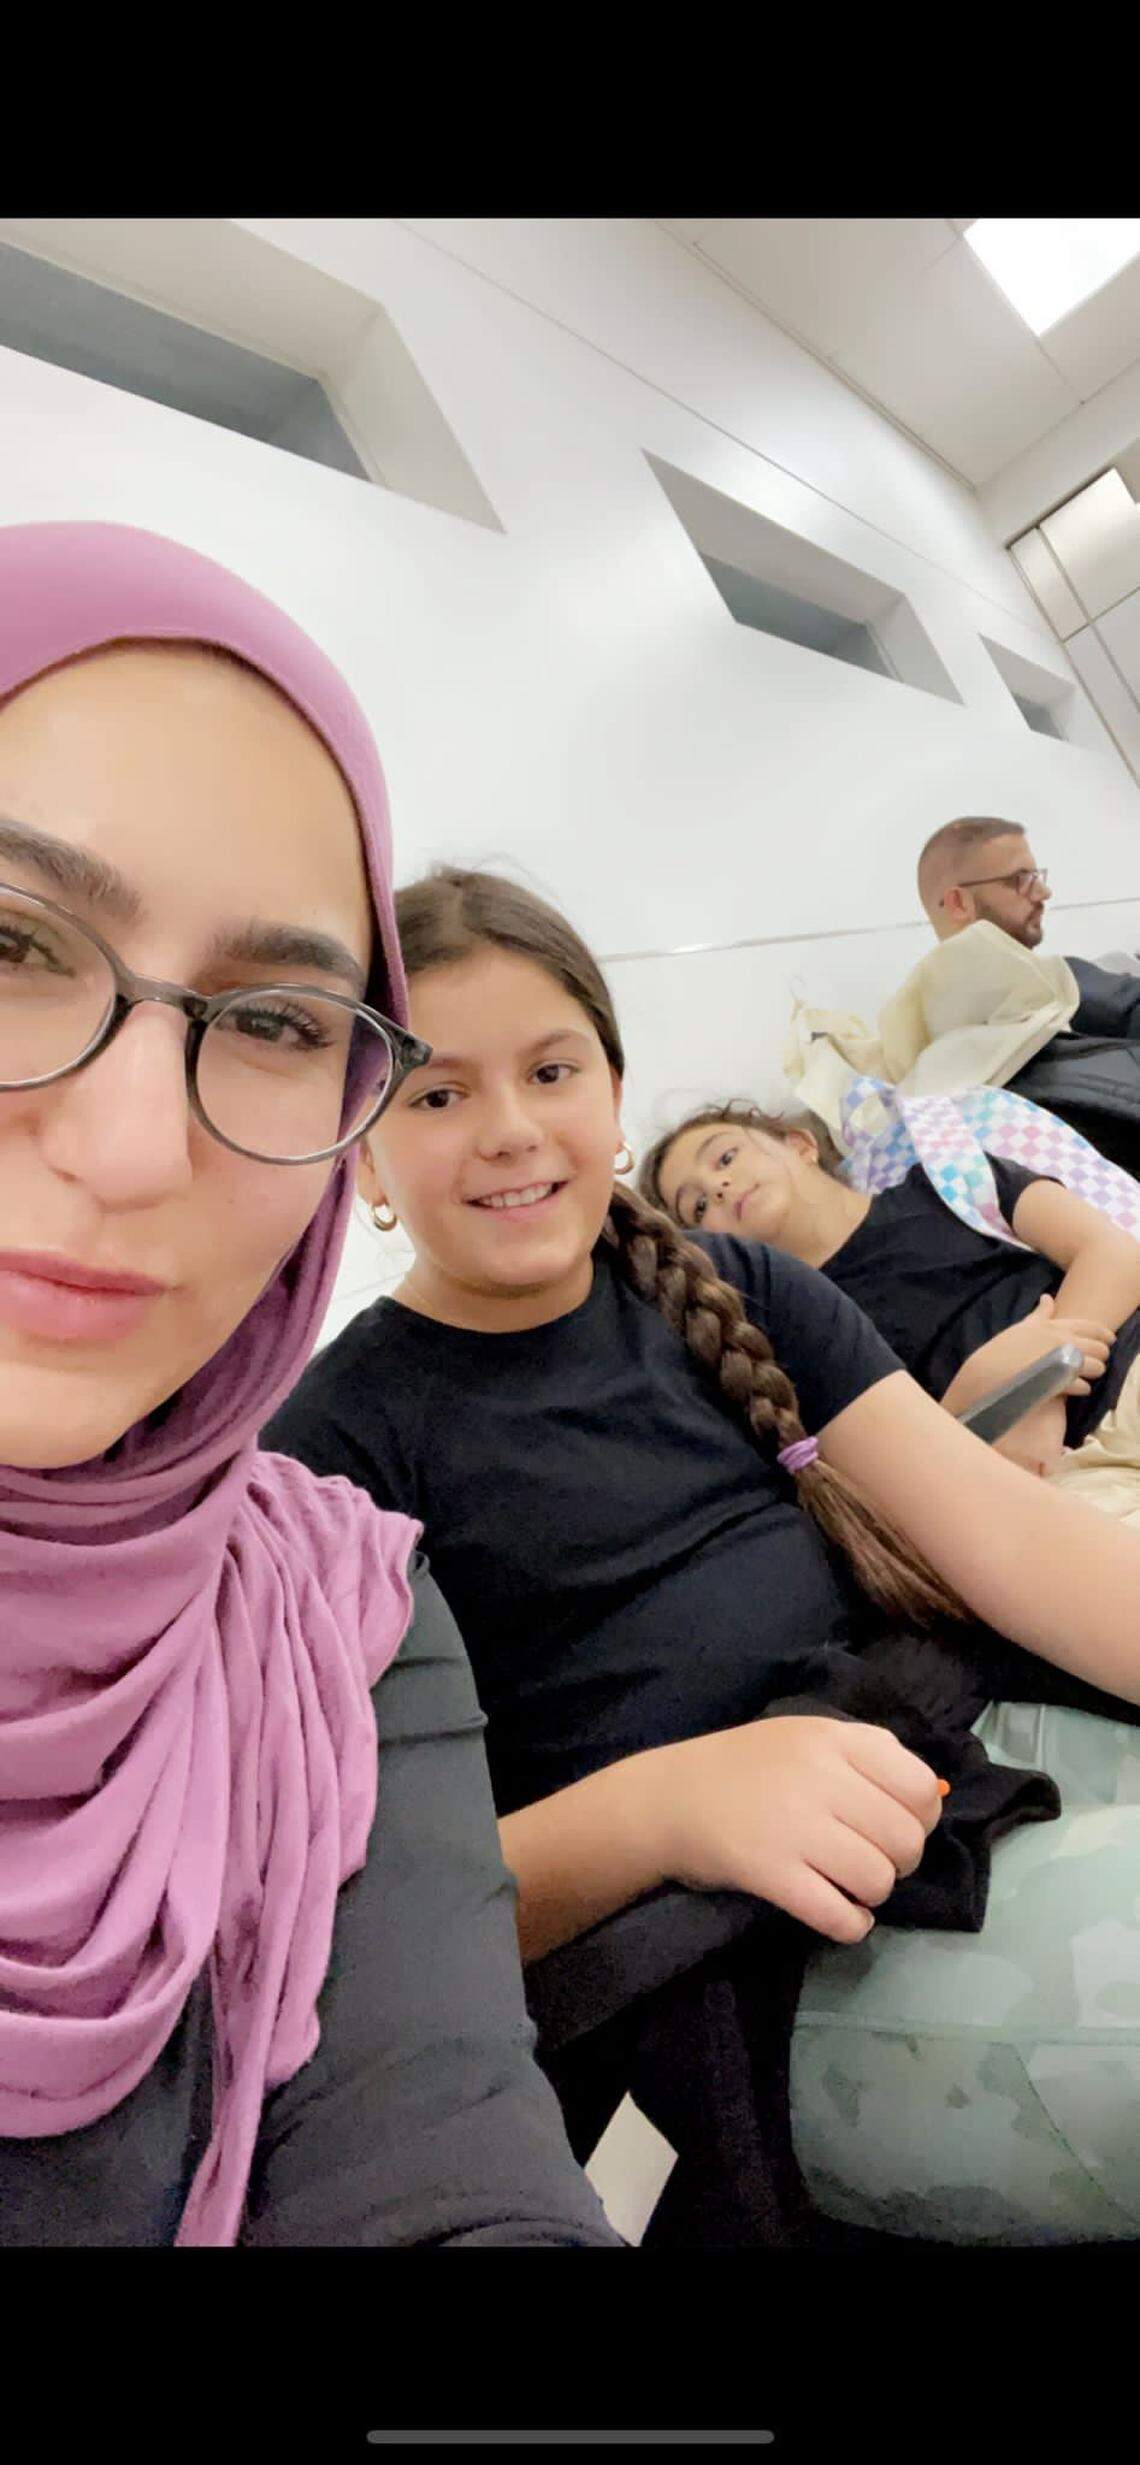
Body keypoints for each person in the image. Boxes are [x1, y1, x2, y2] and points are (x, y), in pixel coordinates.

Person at [264, 866, 1140, 2242]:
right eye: (436, 1096)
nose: (507, 1130)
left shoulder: (746, 1292)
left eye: (551, 1069)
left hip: (958, 1751)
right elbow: (354, 1934)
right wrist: (665, 1807)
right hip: (750, 1952)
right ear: (363, 1153)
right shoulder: (329, 1460)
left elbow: (1019, 1546)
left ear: (612, 1096)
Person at [0, 528, 620, 2251]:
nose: (132, 1149)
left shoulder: (319, 1600)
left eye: (272, 1021)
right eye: (6, 936)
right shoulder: (371, 1414)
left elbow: (446, 2170)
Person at [642, 1098, 1140, 1510]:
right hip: (1052, 1481)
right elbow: (887, 1483)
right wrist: (975, 1399)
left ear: (798, 1144)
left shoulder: (950, 1181)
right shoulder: (785, 1335)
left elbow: (1114, 1254)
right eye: (698, 1207)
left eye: (724, 1158)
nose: (719, 1187)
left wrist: (1038, 1387)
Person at [917, 815, 1140, 1038]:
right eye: (1019, 879)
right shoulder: (1065, 986)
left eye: (1036, 876)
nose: (1044, 893)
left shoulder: (1077, 987)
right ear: (959, 903)